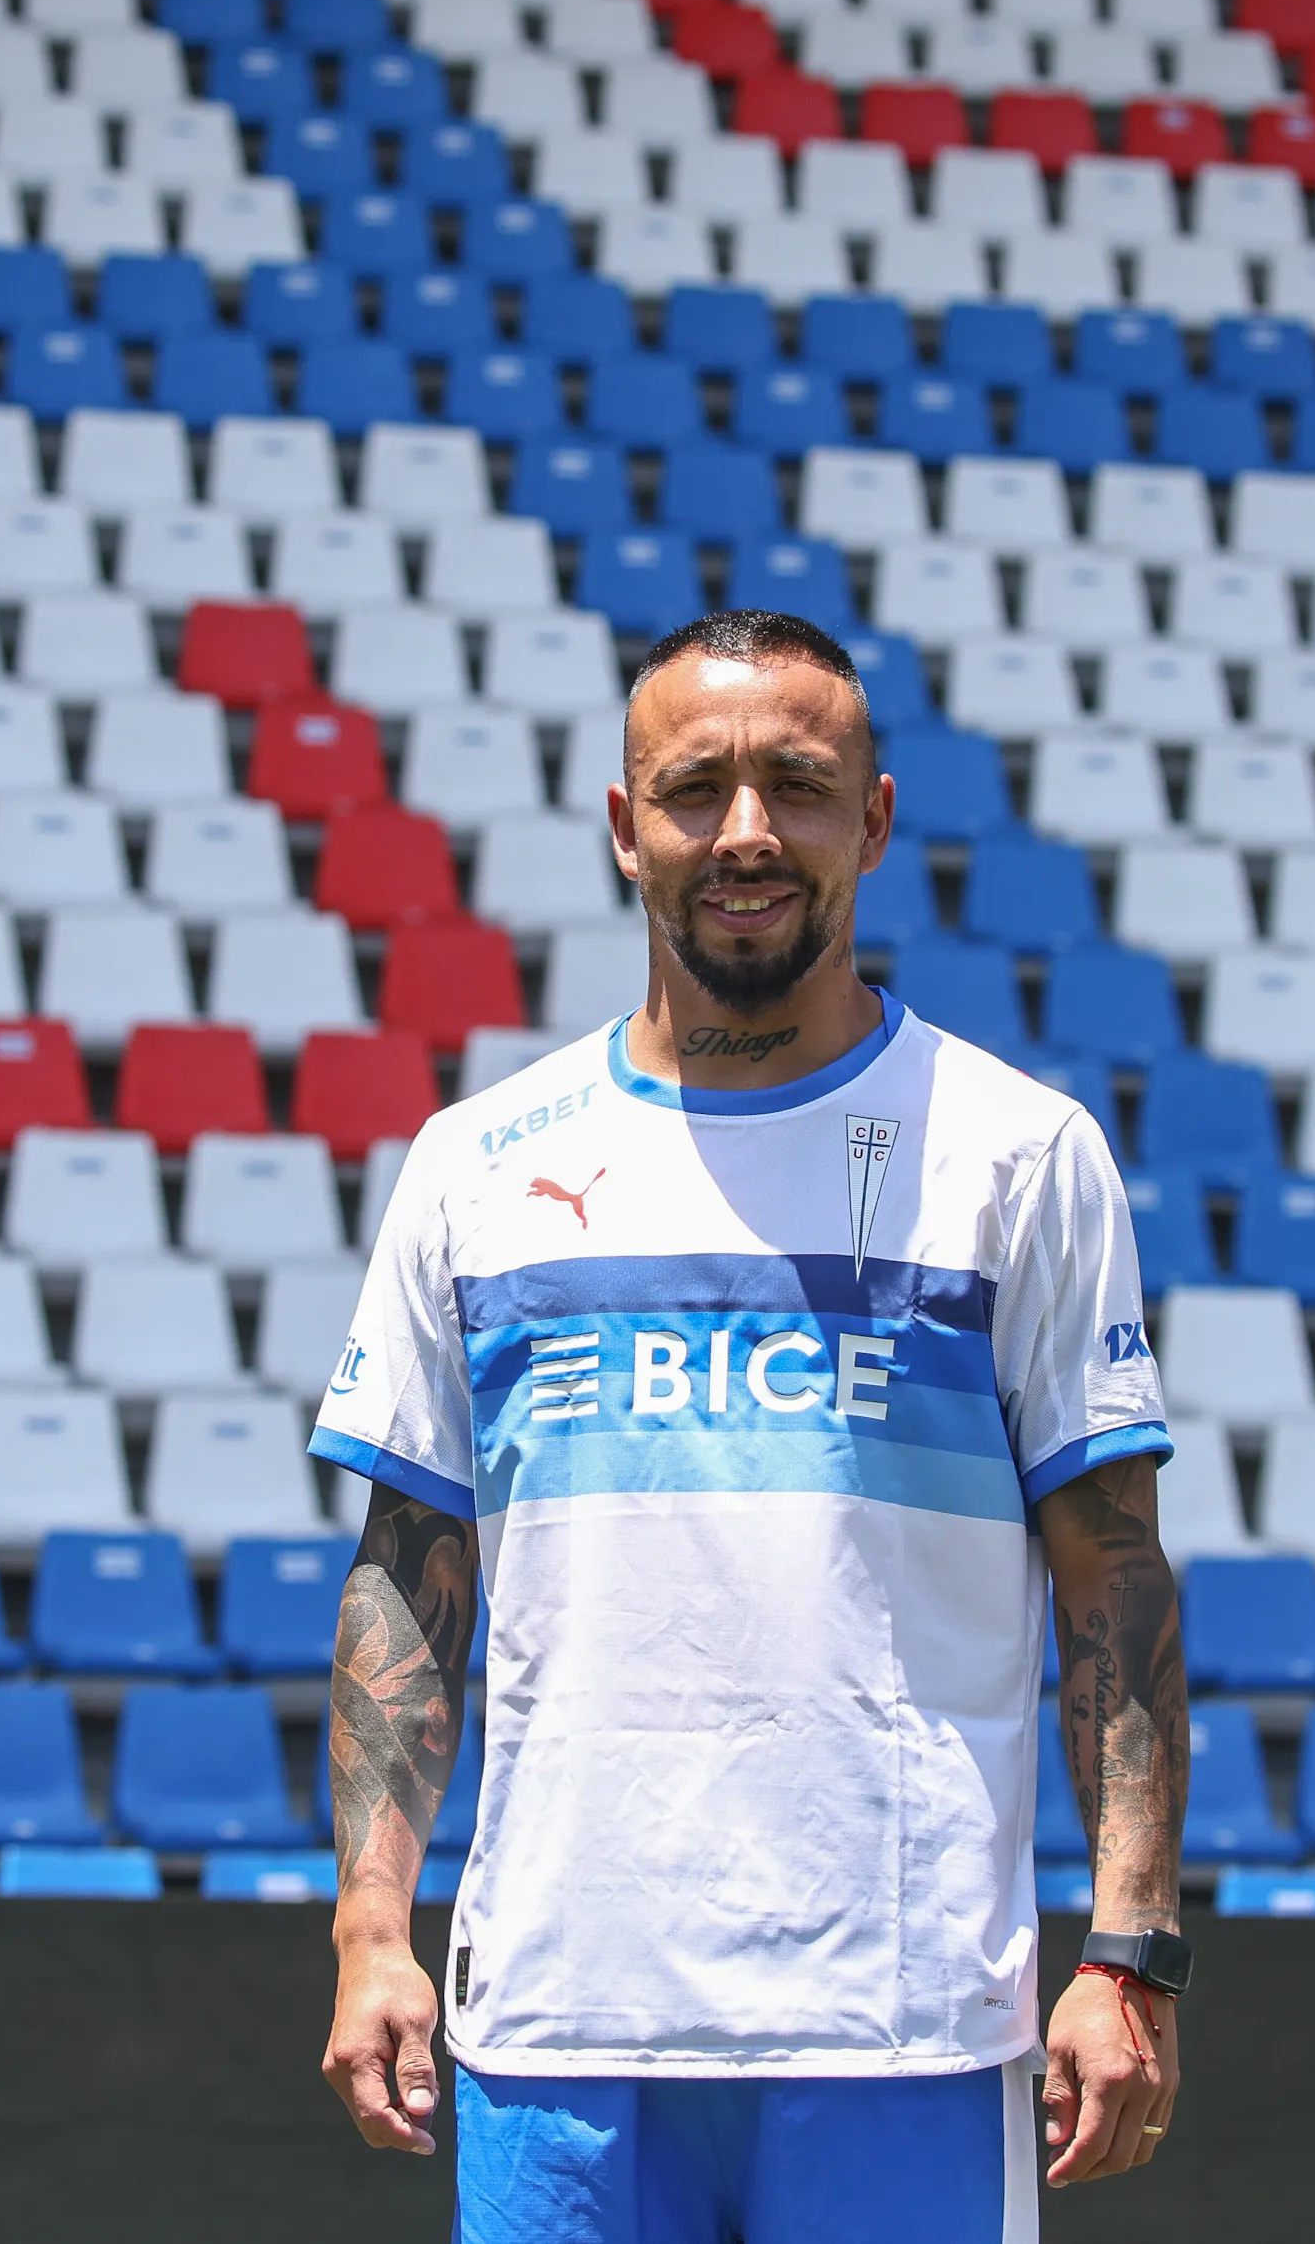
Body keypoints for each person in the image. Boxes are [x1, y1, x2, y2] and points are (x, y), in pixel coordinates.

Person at [309, 608, 1193, 2243]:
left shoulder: (1017, 1155)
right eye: (696, 785)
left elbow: (1115, 1581)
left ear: (873, 814)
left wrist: (1129, 1949)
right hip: (556, 2031)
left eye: (795, 782)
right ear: (624, 823)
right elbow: (404, 1573)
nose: (744, 832)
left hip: (907, 2032)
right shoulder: (476, 1165)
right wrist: (375, 1926)